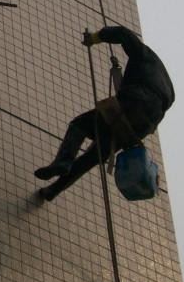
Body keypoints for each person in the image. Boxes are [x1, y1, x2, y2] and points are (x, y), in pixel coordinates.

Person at [35, 26, 175, 201]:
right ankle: (52, 191)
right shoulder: (166, 87)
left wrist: (95, 38)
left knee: (79, 125)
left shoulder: (144, 55)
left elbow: (123, 34)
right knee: (92, 156)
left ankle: (63, 161)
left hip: (136, 103)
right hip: (142, 127)